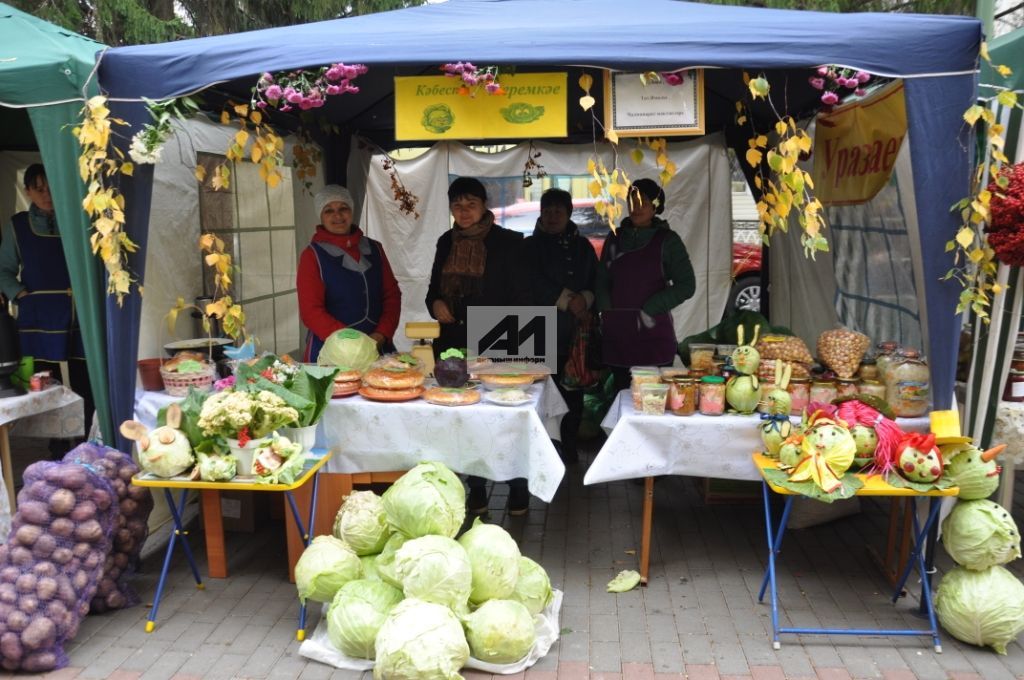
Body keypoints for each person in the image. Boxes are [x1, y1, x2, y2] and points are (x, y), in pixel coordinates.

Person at [425, 176, 531, 515]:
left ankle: (517, 486)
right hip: (454, 342)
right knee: (465, 419)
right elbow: (432, 290)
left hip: (501, 338)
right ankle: (477, 488)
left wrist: (500, 335)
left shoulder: (510, 242)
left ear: (485, 206)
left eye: (470, 204)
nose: (464, 211)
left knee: (507, 418)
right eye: (457, 205)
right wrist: (436, 305)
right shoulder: (445, 241)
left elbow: (522, 298)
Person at [0, 164, 94, 439]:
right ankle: (56, 447)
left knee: (84, 381)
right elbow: (3, 269)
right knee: (48, 385)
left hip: (78, 314)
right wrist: (20, 295)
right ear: (28, 192)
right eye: (39, 189)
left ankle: (88, 438)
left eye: (51, 187)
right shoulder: (18, 226)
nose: (47, 194)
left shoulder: (81, 221)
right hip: (39, 317)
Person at [595, 178, 695, 393]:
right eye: (632, 201)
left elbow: (687, 285)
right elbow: (602, 279)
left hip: (653, 335)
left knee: (653, 400)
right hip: (618, 336)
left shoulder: (668, 240)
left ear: (655, 207)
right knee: (621, 397)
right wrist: (606, 309)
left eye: (644, 202)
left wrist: (652, 306)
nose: (636, 207)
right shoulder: (614, 238)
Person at [522, 188, 598, 465]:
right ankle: (545, 448)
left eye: (558, 211)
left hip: (575, 334)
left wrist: (586, 299)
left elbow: (595, 280)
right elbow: (529, 283)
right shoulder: (529, 246)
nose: (552, 216)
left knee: (573, 392)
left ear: (568, 213)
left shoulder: (583, 247)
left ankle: (568, 445)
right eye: (547, 210)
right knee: (541, 394)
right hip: (539, 334)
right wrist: (567, 300)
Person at [297, 184, 401, 362]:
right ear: (320, 217)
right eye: (328, 210)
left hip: (378, 347)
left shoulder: (375, 248)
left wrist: (381, 334)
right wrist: (351, 344)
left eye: (343, 208)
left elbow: (391, 296)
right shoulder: (312, 256)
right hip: (331, 350)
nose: (337, 215)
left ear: (351, 212)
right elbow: (311, 311)